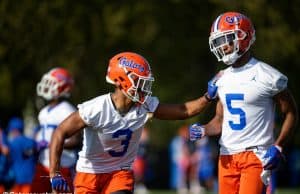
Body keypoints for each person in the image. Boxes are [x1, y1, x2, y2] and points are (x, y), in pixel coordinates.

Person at [48, 51, 219, 194]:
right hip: (89, 174)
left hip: (119, 174)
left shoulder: (145, 105)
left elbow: (183, 111)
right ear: (121, 79)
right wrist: (54, 173)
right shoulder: (96, 108)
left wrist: (207, 97)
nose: (144, 87)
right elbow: (60, 132)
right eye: (139, 81)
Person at [188, 11, 298, 194]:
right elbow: (220, 119)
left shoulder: (268, 75)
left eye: (226, 40)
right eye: (218, 42)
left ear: (242, 37)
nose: (222, 47)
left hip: (255, 156)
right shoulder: (221, 78)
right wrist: (205, 129)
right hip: (227, 156)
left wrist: (279, 145)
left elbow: (291, 112)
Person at [31, 67, 82, 193]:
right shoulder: (43, 111)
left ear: (63, 87)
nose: (47, 86)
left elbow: (77, 141)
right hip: (42, 164)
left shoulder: (67, 110)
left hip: (62, 166)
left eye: (51, 83)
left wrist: (54, 145)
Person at [6, 116, 37, 193]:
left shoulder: (12, 144)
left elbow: (7, 155)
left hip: (17, 179)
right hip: (31, 178)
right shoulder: (31, 142)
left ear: (14, 130)